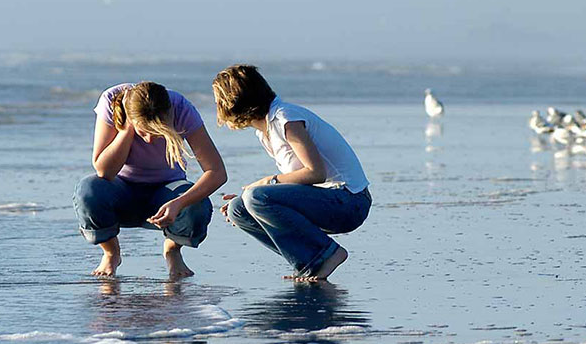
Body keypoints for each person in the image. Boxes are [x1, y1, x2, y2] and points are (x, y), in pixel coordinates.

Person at [213, 65, 371, 281]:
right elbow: (298, 182)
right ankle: (310, 261)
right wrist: (255, 195)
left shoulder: (286, 118)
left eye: (218, 101)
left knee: (255, 196)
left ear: (233, 101)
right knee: (238, 209)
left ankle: (328, 254)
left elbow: (316, 173)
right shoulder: (266, 130)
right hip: (327, 200)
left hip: (349, 201)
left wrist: (265, 184)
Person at [74, 81, 226, 279]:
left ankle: (172, 250)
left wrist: (179, 202)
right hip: (120, 189)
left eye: (157, 132)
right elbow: (105, 171)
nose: (149, 140)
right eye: (143, 132)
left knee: (197, 204)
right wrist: (128, 128)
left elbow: (216, 171)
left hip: (167, 189)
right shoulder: (111, 100)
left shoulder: (181, 108)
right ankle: (111, 253)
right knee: (88, 190)